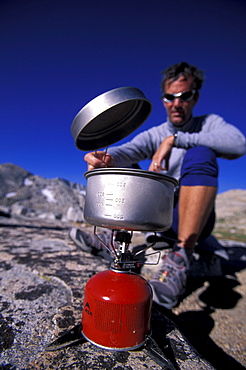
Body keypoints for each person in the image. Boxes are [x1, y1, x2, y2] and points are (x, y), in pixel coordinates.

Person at [70, 62, 246, 309]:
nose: (177, 103)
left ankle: (181, 257)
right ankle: (111, 238)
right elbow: (130, 150)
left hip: (193, 220)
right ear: (163, 99)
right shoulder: (154, 133)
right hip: (158, 218)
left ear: (195, 98)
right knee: (125, 166)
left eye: (185, 96)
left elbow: (238, 145)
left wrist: (175, 140)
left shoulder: (209, 123)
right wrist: (106, 159)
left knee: (201, 154)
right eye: (169, 97)